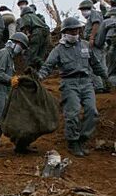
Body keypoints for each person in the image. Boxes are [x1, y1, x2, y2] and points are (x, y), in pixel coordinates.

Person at [38, 17, 109, 157]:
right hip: (69, 83)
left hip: (86, 82)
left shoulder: (84, 45)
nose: (74, 32)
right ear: (65, 32)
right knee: (73, 113)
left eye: (76, 30)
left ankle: (82, 139)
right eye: (71, 30)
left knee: (92, 111)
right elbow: (48, 66)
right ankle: (73, 142)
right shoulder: (58, 50)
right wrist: (39, 77)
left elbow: (95, 64)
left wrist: (105, 77)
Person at [0, 32, 29, 159]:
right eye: (21, 46)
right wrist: (11, 79)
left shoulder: (9, 57)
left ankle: (19, 145)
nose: (21, 50)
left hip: (1, 90)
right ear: (14, 43)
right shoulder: (4, 53)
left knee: (3, 119)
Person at [79, 0, 109, 92]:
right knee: (102, 65)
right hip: (99, 44)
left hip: (95, 44)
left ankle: (98, 86)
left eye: (83, 9)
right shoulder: (95, 15)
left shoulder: (94, 13)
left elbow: (96, 24)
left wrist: (91, 38)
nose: (82, 12)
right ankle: (106, 85)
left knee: (93, 65)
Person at [18, 4, 50, 71]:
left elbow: (27, 24)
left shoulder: (26, 16)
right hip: (46, 35)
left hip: (37, 33)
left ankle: (30, 70)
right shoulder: (36, 17)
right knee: (40, 55)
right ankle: (41, 70)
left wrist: (27, 35)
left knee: (31, 55)